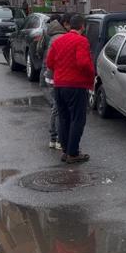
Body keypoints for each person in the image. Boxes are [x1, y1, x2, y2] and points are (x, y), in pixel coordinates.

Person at [46, 14, 94, 164]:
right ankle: (73, 153)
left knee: (64, 117)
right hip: (76, 85)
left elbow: (49, 62)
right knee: (77, 119)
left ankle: (66, 151)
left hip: (59, 84)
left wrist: (60, 72)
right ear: (82, 27)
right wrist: (91, 76)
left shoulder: (59, 41)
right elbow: (83, 63)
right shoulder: (81, 41)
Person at [40, 13, 70, 151]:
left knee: (56, 107)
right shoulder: (59, 37)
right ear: (65, 24)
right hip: (55, 76)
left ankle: (54, 138)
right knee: (58, 108)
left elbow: (40, 51)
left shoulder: (49, 33)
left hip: (49, 73)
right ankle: (57, 138)